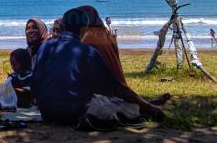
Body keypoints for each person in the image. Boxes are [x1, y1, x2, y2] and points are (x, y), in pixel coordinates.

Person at [32, 8, 166, 126]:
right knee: (128, 107)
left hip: (46, 111)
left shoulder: (45, 46)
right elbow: (116, 88)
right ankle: (147, 107)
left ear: (64, 26)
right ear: (86, 28)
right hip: (72, 114)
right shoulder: (87, 52)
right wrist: (147, 106)